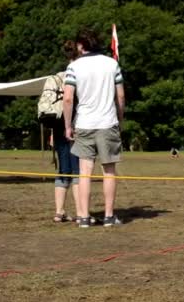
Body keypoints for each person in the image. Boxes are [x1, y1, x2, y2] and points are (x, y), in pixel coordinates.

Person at [63, 28, 126, 228]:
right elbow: (121, 96)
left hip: (84, 123)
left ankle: (83, 217)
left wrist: (67, 126)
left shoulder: (73, 67)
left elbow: (68, 98)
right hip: (108, 122)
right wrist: (120, 119)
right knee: (109, 171)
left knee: (84, 172)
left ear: (81, 45)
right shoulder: (112, 63)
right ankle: (108, 216)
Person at [52, 41, 81, 223]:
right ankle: (81, 213)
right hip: (75, 126)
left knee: (63, 169)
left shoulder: (58, 76)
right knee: (78, 170)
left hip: (58, 127)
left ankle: (59, 211)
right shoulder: (78, 73)